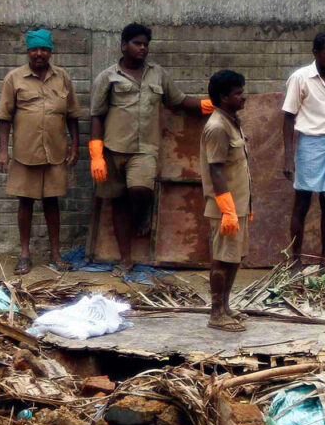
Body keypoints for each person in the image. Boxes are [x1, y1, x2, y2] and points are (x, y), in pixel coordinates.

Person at [89, 23, 213, 276]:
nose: (142, 48)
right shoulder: (107, 77)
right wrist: (96, 155)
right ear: (124, 45)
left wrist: (208, 105)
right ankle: (125, 260)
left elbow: (178, 101)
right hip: (113, 149)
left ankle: (143, 214)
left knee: (140, 192)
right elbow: (96, 115)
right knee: (117, 203)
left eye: (146, 44)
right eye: (137, 43)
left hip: (144, 149)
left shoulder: (158, 75)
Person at [0, 28, 81, 274]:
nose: (39, 53)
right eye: (34, 49)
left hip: (55, 151)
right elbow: (4, 117)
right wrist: (3, 150)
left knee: (52, 202)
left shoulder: (63, 77)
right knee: (26, 201)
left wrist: (75, 145)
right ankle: (24, 254)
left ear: (51, 51)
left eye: (44, 49)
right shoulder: (14, 78)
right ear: (28, 51)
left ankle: (55, 253)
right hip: (25, 152)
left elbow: (72, 115)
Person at [283, 31, 325, 267]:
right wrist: (289, 157)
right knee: (302, 202)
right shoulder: (300, 78)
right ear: (315, 53)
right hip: (310, 144)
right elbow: (288, 117)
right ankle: (295, 260)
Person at [200, 70, 251, 332]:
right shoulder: (217, 127)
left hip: (238, 204)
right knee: (222, 258)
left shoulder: (232, 120)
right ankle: (216, 313)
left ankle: (226, 308)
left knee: (233, 258)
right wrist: (228, 210)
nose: (243, 97)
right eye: (238, 93)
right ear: (223, 97)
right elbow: (216, 169)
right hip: (225, 207)